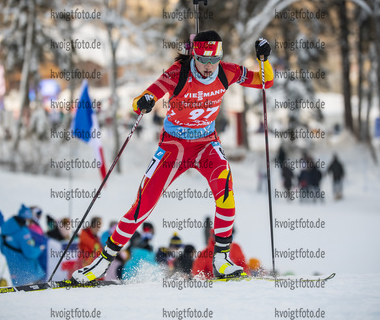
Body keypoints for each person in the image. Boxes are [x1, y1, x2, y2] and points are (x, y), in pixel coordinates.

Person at [71, 31, 274, 283]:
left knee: (225, 191)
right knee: (142, 206)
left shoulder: (226, 71)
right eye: (204, 60)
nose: (210, 67)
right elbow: (141, 100)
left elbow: (264, 82)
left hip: (206, 144)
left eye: (215, 60)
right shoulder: (178, 73)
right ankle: (102, 263)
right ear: (194, 55)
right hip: (174, 146)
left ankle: (221, 259)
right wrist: (145, 100)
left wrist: (264, 60)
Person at [0, 205, 45, 285]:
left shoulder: (4, 230)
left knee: (20, 297)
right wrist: (39, 249)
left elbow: (2, 250)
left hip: (16, 276)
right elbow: (30, 253)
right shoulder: (23, 231)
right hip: (30, 275)